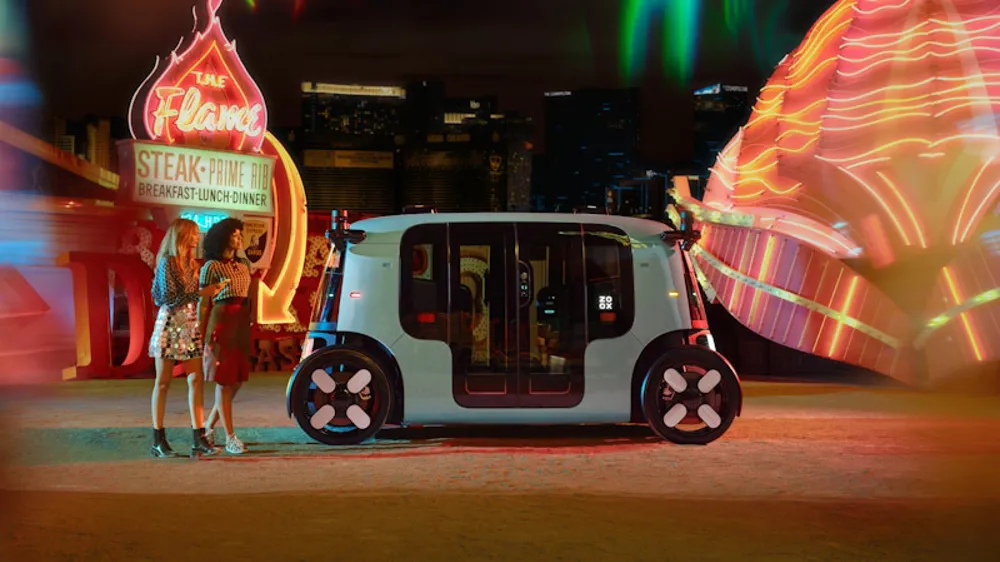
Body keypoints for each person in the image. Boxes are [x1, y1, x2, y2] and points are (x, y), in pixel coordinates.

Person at [149, 218, 226, 458]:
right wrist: (202, 292)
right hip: (170, 324)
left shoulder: (192, 264)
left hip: (189, 325)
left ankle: (199, 437)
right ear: (182, 236)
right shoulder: (167, 263)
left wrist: (206, 292)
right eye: (193, 234)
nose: (197, 238)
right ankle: (158, 439)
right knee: (163, 383)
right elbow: (167, 298)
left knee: (196, 380)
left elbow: (187, 296)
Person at [199, 218, 256, 455]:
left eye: (240, 234)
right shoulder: (210, 267)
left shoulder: (244, 263)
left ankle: (207, 428)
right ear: (222, 237)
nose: (239, 238)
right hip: (221, 324)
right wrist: (201, 335)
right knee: (224, 381)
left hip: (241, 323)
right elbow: (204, 303)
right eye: (234, 234)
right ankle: (230, 437)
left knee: (237, 380)